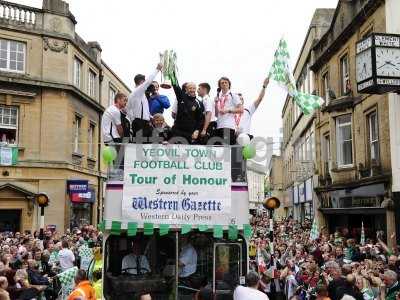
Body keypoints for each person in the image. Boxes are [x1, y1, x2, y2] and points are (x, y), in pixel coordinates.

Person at [127, 63, 163, 141]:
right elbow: (148, 81)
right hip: (139, 123)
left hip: (145, 123)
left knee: (153, 141)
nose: (146, 84)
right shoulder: (137, 92)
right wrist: (157, 69)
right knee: (141, 146)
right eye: (144, 82)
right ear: (141, 82)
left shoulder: (140, 94)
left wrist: (151, 117)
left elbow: (131, 109)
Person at [214, 77, 243, 145]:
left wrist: (228, 110)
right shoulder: (218, 96)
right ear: (220, 85)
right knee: (219, 150)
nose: (224, 84)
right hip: (219, 126)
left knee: (227, 149)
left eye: (226, 82)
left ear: (229, 84)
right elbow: (216, 114)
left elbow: (241, 109)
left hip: (228, 126)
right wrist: (215, 103)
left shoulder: (233, 95)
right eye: (222, 83)